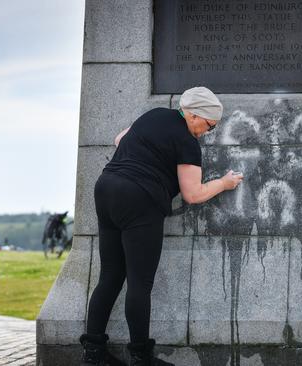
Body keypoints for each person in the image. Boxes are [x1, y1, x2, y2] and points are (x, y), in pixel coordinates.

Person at [80, 87, 244, 366]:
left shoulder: (155, 115)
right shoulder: (187, 142)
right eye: (209, 124)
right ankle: (141, 358)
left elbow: (119, 138)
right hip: (139, 200)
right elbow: (193, 194)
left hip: (106, 189)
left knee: (109, 275)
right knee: (139, 283)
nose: (208, 131)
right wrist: (225, 183)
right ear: (193, 115)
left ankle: (93, 355)